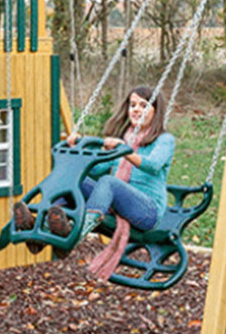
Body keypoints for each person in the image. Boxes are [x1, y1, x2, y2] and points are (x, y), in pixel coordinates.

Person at [14, 86, 175, 277]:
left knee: (108, 182)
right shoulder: (124, 138)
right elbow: (96, 168)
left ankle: (74, 235)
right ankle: (42, 229)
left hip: (147, 211)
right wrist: (79, 148)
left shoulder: (164, 140)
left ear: (156, 112)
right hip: (117, 204)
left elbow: (153, 165)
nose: (136, 109)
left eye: (143, 105)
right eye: (132, 105)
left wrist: (125, 150)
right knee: (77, 180)